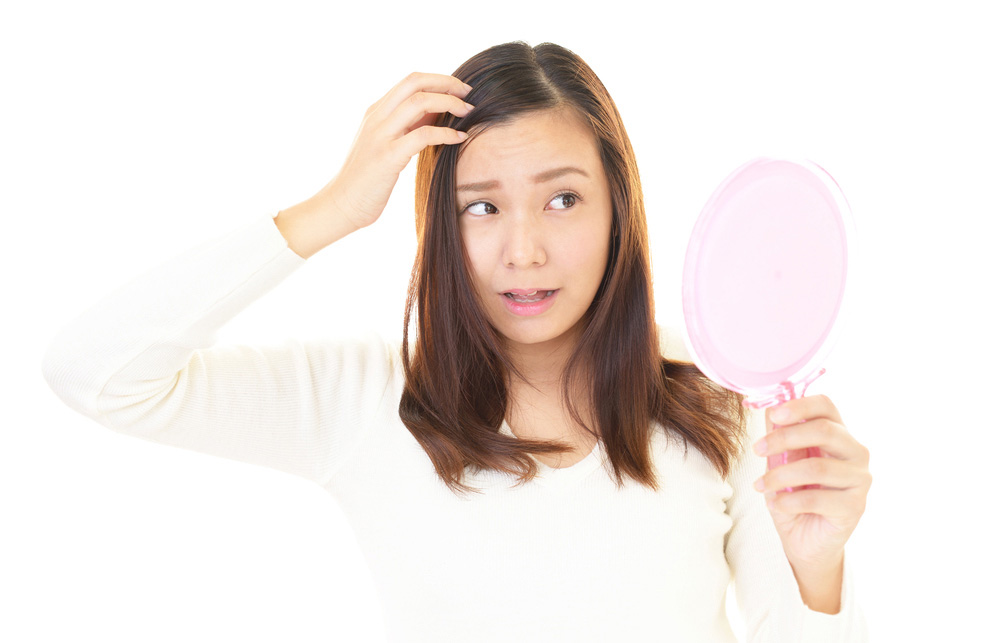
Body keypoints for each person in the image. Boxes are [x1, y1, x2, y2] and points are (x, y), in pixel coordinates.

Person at [42, 41, 871, 641]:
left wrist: (819, 566)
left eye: (563, 200)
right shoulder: (369, 397)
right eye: (481, 205)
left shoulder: (715, 393)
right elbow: (95, 371)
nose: (524, 250)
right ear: (437, 223)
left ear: (619, 208)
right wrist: (333, 208)